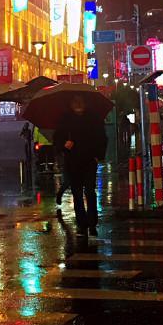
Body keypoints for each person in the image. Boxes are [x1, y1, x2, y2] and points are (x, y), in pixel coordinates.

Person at [54, 95, 107, 233]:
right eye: (75, 101)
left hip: (89, 160)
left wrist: (97, 156)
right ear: (70, 103)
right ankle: (81, 222)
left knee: (89, 191)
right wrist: (64, 144)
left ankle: (92, 221)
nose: (78, 104)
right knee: (77, 193)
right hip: (73, 161)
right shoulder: (65, 119)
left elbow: (102, 137)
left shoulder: (93, 118)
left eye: (80, 101)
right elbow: (57, 138)